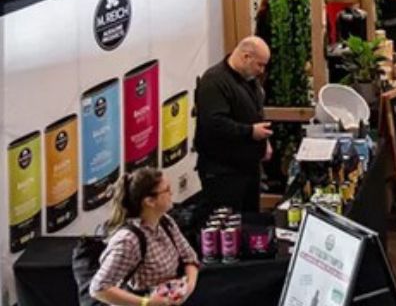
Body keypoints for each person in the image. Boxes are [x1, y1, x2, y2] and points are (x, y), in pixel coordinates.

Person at [89, 168, 200, 306]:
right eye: (166, 190)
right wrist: (146, 303)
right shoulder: (128, 240)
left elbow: (190, 258)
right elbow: (99, 289)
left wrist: (187, 289)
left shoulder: (165, 222)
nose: (171, 193)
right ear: (149, 201)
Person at [194, 36, 271, 214]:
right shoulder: (214, 81)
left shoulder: (249, 79)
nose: (261, 70)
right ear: (245, 57)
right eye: (259, 64)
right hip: (224, 173)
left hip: (248, 168)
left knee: (251, 221)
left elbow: (255, 112)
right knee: (229, 224)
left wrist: (264, 139)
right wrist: (250, 132)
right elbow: (214, 123)